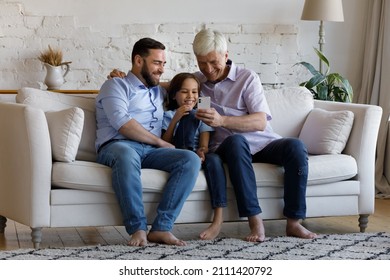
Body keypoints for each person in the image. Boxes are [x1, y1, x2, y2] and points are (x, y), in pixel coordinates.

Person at [108, 29, 317, 242]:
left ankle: (294, 222)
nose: (208, 69)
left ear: (226, 56)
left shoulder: (246, 78)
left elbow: (261, 121)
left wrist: (223, 121)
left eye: (213, 62)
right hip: (229, 148)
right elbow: (166, 86)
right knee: (236, 142)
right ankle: (255, 221)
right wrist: (127, 78)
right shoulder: (199, 84)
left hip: (261, 143)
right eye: (201, 63)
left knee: (296, 147)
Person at [95, 38, 201, 247]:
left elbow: (188, 85)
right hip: (118, 146)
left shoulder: (158, 90)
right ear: (138, 60)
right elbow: (123, 124)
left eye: (163, 64)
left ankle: (161, 227)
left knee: (190, 159)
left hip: (150, 151)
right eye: (156, 63)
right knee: (126, 155)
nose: (161, 69)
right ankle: (138, 228)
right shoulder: (115, 85)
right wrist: (160, 142)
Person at [161, 72, 227, 240]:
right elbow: (164, 143)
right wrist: (176, 118)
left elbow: (205, 144)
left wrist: (202, 151)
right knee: (189, 115)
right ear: (174, 95)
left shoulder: (203, 110)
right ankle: (188, 153)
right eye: (184, 92)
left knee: (215, 159)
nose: (190, 96)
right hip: (176, 154)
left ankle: (218, 218)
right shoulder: (167, 114)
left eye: (194, 92)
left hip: (198, 155)